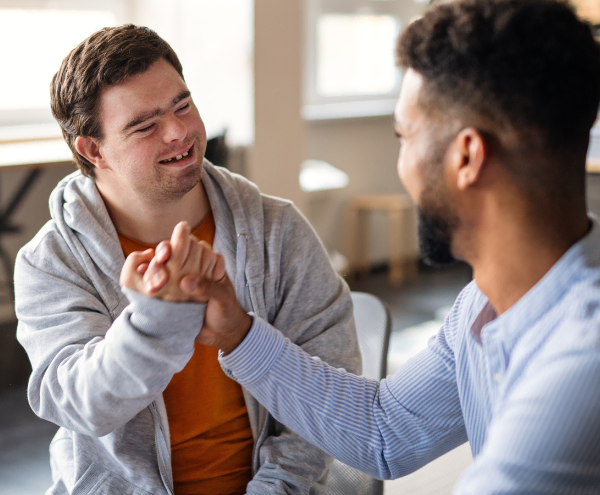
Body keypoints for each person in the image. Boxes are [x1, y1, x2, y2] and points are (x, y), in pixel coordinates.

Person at [132, 0, 600, 493]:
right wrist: (238, 332)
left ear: (466, 158)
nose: (402, 164)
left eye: (404, 136)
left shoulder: (582, 362)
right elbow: (385, 432)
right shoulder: (486, 305)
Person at [14, 24, 360, 495]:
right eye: (145, 125)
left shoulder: (277, 230)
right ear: (94, 150)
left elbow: (326, 390)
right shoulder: (50, 261)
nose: (179, 132)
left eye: (183, 105)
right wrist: (156, 321)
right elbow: (80, 404)